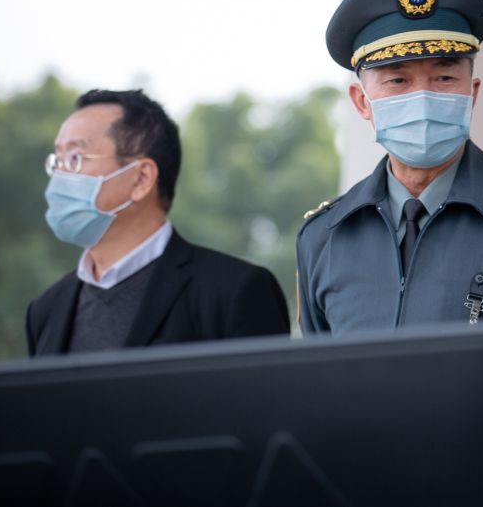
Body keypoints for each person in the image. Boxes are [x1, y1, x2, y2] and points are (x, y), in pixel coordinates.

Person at [297, 0, 483, 333]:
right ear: (361, 103)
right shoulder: (325, 237)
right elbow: (316, 383)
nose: (422, 95)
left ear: (472, 93)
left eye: (443, 77)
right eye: (398, 80)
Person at [27, 89, 289, 356]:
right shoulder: (46, 310)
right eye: (57, 160)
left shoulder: (234, 292)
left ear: (141, 179)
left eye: (75, 158)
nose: (59, 175)